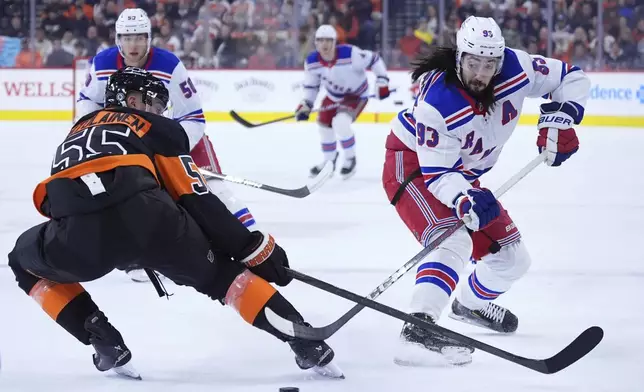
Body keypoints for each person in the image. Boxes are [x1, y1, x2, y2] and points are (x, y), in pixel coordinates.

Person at [8, 67, 342, 380]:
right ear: (133, 100)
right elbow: (195, 198)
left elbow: (62, 203)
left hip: (79, 237)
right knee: (223, 277)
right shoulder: (159, 129)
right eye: (153, 101)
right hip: (152, 223)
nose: (159, 110)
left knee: (22, 262)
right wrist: (253, 249)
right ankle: (303, 337)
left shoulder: (74, 132)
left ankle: (100, 336)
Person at [382, 16, 590, 366]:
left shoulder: (517, 66)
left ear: (500, 59)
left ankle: (469, 304)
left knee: (512, 260)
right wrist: (464, 198)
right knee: (453, 240)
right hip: (415, 166)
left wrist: (560, 118)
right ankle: (418, 328)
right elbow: (439, 176)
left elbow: (572, 76)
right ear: (460, 57)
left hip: (460, 172)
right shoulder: (438, 101)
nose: (481, 73)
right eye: (474, 63)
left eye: (489, 64)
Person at [76, 8, 257, 282]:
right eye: (127, 38)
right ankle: (144, 257)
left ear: (148, 38)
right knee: (138, 200)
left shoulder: (169, 64)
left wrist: (171, 145)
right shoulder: (102, 63)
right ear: (117, 39)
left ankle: (255, 243)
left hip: (176, 137)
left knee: (215, 190)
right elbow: (87, 101)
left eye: (139, 37)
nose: (133, 45)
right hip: (132, 146)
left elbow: (194, 116)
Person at [295, 24, 391, 180]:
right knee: (323, 124)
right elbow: (312, 86)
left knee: (341, 122)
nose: (324, 44)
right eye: (320, 40)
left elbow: (374, 59)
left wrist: (382, 81)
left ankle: (349, 158)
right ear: (316, 42)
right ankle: (329, 162)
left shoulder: (350, 54)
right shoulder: (312, 62)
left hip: (356, 96)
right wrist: (306, 104)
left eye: (328, 40)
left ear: (335, 42)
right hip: (334, 96)